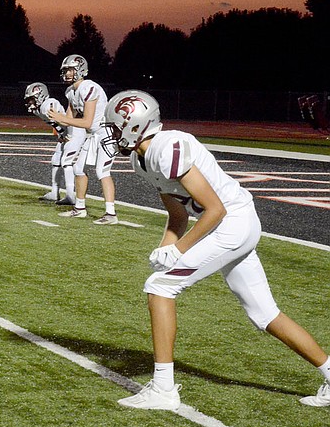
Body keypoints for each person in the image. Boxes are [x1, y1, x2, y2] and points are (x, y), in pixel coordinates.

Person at [102, 89, 330, 410]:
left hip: (232, 222)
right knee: (264, 313)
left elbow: (215, 210)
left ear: (133, 125)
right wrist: (165, 248)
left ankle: (164, 390)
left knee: (160, 288)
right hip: (233, 223)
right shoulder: (141, 158)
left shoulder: (168, 147)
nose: (110, 133)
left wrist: (179, 250)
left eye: (114, 126)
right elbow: (178, 214)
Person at [47, 54, 118, 225]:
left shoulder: (89, 87)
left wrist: (61, 119)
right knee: (79, 169)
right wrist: (61, 129)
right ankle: (79, 209)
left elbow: (86, 121)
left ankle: (111, 214)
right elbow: (69, 117)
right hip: (92, 134)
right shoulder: (70, 91)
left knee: (102, 172)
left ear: (80, 69)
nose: (67, 73)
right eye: (65, 70)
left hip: (105, 132)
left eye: (70, 70)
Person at [24, 82, 76, 205]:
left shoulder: (49, 104)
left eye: (32, 99)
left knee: (67, 162)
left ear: (40, 96)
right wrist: (61, 135)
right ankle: (55, 192)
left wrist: (67, 134)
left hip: (73, 131)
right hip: (65, 133)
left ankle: (71, 195)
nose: (30, 103)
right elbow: (56, 124)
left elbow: (62, 120)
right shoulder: (39, 109)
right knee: (56, 160)